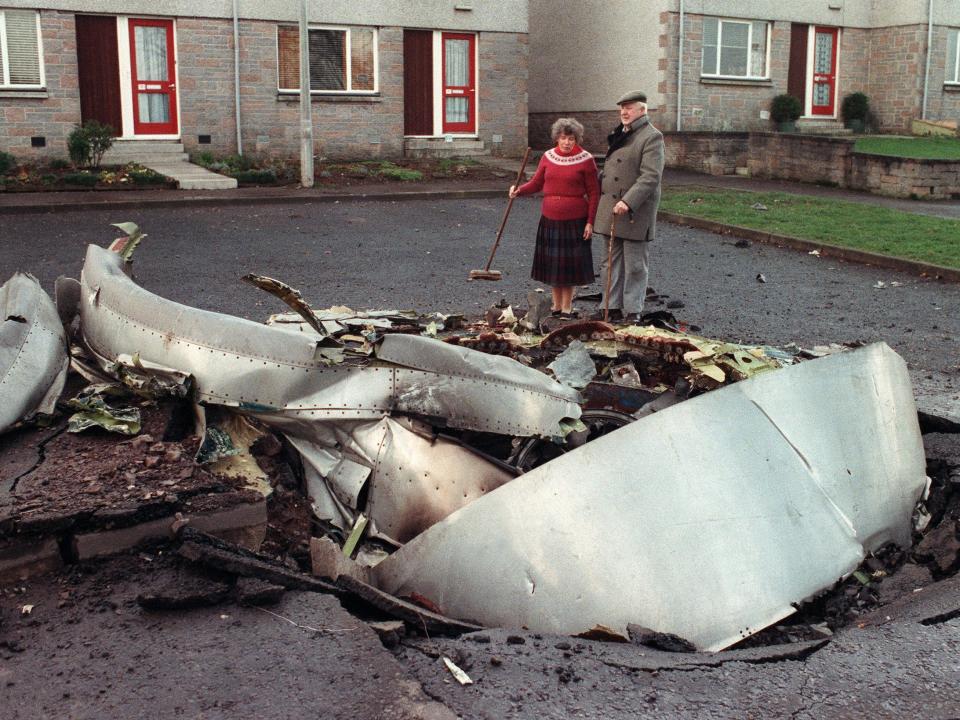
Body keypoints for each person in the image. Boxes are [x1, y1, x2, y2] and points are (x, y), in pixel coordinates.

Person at [510, 117, 600, 319]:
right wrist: (519, 190)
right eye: (563, 138)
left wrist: (590, 222)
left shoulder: (586, 159)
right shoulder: (548, 157)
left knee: (568, 267)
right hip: (550, 218)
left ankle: (567, 308)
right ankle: (556, 306)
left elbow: (594, 193)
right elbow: (536, 183)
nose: (567, 142)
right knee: (554, 265)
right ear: (557, 139)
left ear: (577, 139)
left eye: (571, 138)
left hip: (575, 221)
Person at [593, 91, 664, 324]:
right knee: (610, 262)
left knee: (634, 265)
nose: (624, 112)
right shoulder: (621, 134)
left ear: (642, 110)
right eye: (622, 108)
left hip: (634, 210)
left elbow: (650, 177)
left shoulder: (651, 137)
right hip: (612, 208)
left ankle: (632, 311)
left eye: (629, 108)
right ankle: (610, 307)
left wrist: (628, 201)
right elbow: (611, 171)